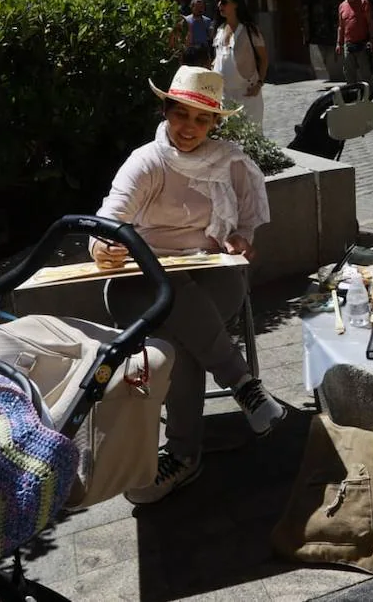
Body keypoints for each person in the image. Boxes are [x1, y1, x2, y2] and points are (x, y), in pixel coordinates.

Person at [91, 65, 285, 503]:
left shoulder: (229, 161)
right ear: (166, 111)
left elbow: (247, 226)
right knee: (172, 310)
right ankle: (241, 384)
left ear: (216, 123)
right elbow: (108, 220)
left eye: (202, 119)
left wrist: (240, 239)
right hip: (138, 285)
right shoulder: (148, 162)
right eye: (181, 115)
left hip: (210, 278)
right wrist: (103, 248)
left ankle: (181, 457)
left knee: (176, 325)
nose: (190, 128)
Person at [213, 0, 268, 132]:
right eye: (218, 2)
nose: (219, 5)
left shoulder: (250, 31)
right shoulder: (219, 30)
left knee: (252, 136)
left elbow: (263, 59)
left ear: (236, 4)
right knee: (229, 137)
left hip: (247, 95)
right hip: (225, 96)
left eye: (224, 2)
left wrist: (259, 83)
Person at [334, 0, 373, 85]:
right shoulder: (342, 6)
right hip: (348, 43)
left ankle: (368, 93)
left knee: (365, 71)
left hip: (362, 42)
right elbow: (341, 26)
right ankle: (352, 91)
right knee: (348, 71)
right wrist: (339, 43)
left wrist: (372, 38)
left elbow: (370, 22)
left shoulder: (363, 2)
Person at [170, 0, 214, 67]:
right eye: (197, 7)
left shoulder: (207, 21)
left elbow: (210, 35)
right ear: (192, 7)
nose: (200, 9)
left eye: (202, 7)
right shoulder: (186, 21)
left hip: (203, 50)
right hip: (190, 51)